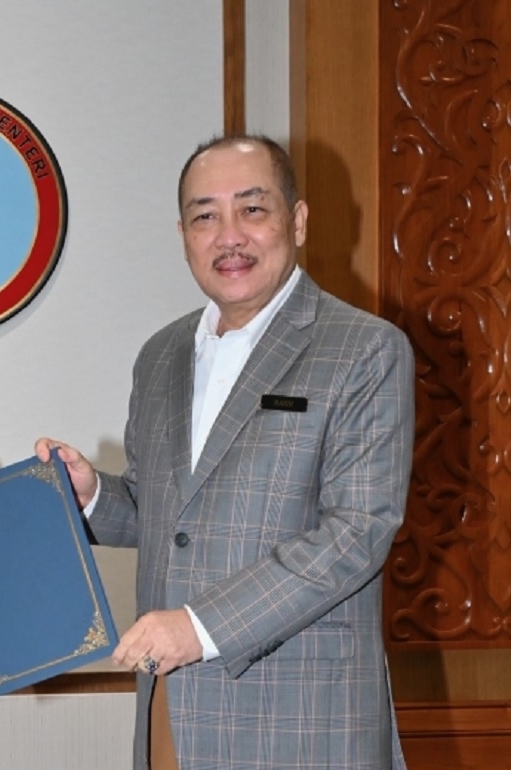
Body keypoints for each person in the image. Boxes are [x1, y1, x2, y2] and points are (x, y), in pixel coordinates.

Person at [36, 134, 412, 770]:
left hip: (302, 720)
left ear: (297, 220)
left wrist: (197, 627)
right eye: (205, 215)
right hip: (172, 711)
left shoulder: (364, 349)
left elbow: (357, 533)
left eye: (253, 209)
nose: (228, 235)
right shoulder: (160, 355)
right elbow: (168, 513)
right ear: (182, 232)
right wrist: (94, 495)